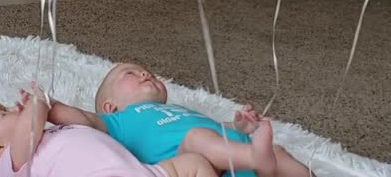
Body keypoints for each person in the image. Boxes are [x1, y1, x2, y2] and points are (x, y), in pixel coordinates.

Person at [48, 63, 314, 177]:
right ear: (110, 106)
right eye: (130, 73)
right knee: (196, 137)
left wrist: (238, 127)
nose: (144, 73)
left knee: (279, 153)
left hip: (244, 163)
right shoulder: (117, 121)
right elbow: (80, 118)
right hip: (201, 169)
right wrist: (50, 106)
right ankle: (257, 157)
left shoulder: (179, 110)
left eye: (147, 72)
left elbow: (217, 130)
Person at [0, 88, 218, 177]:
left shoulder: (49, 138)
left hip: (143, 171)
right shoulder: (12, 163)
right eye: (2, 112)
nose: (12, 107)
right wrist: (37, 102)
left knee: (196, 164)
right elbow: (32, 123)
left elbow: (88, 124)